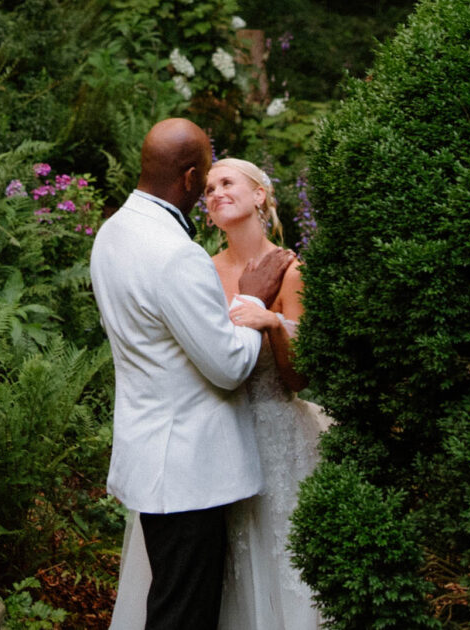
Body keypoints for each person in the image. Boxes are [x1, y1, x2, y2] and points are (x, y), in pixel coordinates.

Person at [93, 119, 296, 630]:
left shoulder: (112, 232)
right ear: (187, 180)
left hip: (153, 455)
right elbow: (228, 367)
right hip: (187, 469)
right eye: (205, 178)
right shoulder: (178, 255)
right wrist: (253, 298)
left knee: (172, 601)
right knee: (183, 613)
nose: (210, 189)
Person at [207, 157, 329, 630]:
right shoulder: (201, 270)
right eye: (210, 187)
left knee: (280, 552)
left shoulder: (293, 270)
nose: (215, 192)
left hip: (278, 434)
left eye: (227, 182)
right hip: (222, 430)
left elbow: (300, 379)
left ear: (260, 194)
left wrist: (274, 321)